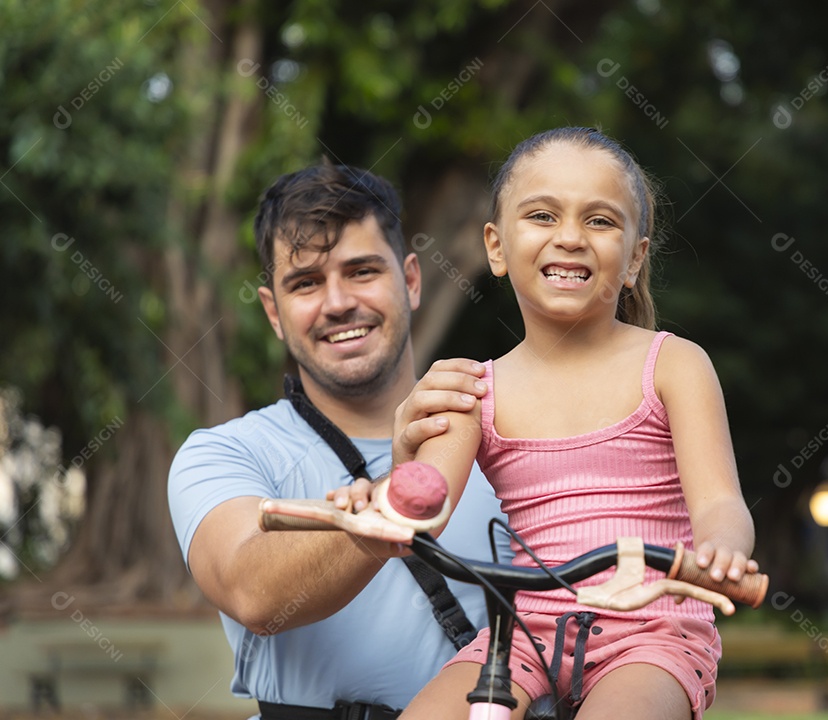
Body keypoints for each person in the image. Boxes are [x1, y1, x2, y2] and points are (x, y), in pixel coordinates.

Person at [392, 127, 759, 720]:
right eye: (542, 215)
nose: (569, 238)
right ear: (496, 247)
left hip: (654, 629)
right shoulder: (473, 390)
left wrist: (721, 552)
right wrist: (388, 495)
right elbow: (420, 509)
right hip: (524, 632)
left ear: (636, 256)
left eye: (600, 221)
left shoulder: (672, 364)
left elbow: (720, 501)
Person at [167, 160, 512, 720]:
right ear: (274, 313)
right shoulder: (225, 453)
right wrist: (399, 499)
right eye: (306, 283)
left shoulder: (507, 437)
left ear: (412, 281)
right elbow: (252, 591)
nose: (337, 303)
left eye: (361, 271)